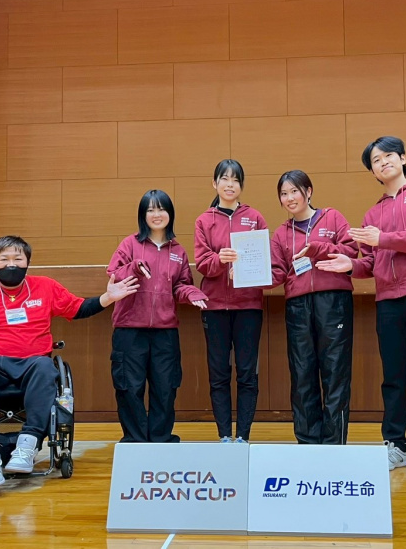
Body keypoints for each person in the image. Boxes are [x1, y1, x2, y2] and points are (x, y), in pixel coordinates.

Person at [0, 235, 139, 489]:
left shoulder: (45, 287)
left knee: (45, 367)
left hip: (32, 363)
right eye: (4, 259)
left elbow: (77, 308)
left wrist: (107, 298)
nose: (11, 264)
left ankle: (27, 446)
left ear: (27, 263)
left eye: (17, 259)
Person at [317, 136, 406, 476]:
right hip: (389, 303)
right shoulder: (373, 213)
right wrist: (351, 266)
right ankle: (395, 445)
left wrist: (382, 239)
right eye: (376, 161)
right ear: (373, 172)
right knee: (393, 379)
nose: (383, 162)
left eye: (388, 156)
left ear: (403, 158)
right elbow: (372, 262)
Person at [107, 189, 208, 443]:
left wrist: (192, 292)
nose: (156, 214)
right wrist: (134, 268)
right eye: (150, 209)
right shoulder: (130, 244)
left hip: (165, 331)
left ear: (170, 214)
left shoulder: (178, 251)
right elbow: (114, 273)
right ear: (143, 215)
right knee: (129, 387)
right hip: (129, 329)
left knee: (166, 387)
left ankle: (160, 440)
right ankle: (136, 440)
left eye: (161, 209)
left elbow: (181, 285)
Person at [270, 170, 358, 445]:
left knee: (335, 371)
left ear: (308, 191)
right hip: (298, 306)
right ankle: (307, 442)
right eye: (283, 194)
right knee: (302, 373)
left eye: (294, 191)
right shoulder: (281, 233)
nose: (289, 198)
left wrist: (317, 248)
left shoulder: (332, 217)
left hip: (333, 302)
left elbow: (351, 251)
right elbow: (276, 273)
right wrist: (246, 274)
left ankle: (333, 444)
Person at [194, 159, 267, 444]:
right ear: (215, 183)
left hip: (248, 306)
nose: (229, 184)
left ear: (241, 185)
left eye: (235, 180)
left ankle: (243, 436)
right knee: (219, 373)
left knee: (247, 373)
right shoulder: (204, 220)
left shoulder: (255, 218)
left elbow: (262, 260)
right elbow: (202, 262)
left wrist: (248, 269)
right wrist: (219, 260)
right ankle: (224, 435)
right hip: (214, 308)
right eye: (224, 179)